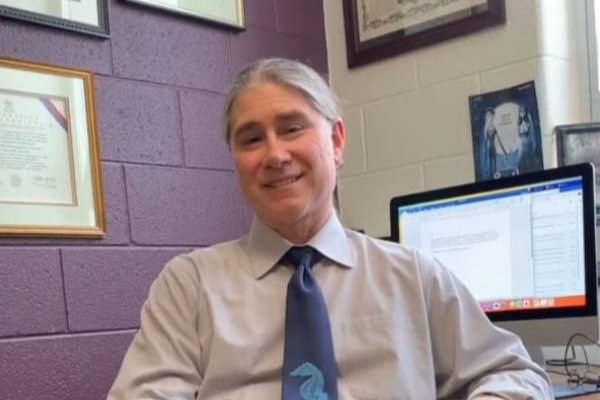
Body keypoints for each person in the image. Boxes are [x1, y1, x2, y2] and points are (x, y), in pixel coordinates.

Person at [107, 58, 552, 399]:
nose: (274, 154)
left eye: (292, 128)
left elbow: (516, 371)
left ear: (336, 141)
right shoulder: (189, 286)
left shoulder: (412, 275)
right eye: (251, 138)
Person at [481, 108, 508, 180]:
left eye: (490, 115)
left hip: (493, 148)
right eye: (487, 115)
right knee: (489, 166)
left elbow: (498, 139)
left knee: (495, 166)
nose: (489, 117)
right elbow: (485, 139)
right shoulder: (486, 127)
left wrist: (504, 151)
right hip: (487, 149)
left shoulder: (493, 127)